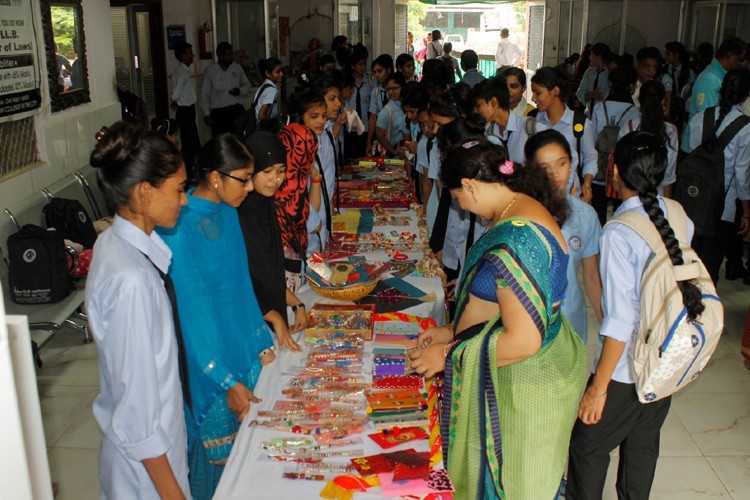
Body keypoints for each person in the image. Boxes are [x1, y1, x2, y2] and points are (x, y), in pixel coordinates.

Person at [410, 140, 586, 499]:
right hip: (517, 372)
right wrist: (449, 331)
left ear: (471, 186)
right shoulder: (514, 208)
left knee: (508, 483)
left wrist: (448, 357)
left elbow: (523, 340)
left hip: (523, 382)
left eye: (458, 197)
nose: (461, 205)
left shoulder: (519, 235)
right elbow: (499, 301)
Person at [566, 131, 703, 499]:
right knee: (642, 446)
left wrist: (598, 388)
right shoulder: (678, 214)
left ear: (614, 173)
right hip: (668, 356)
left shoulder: (620, 231)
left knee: (586, 447)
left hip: (627, 368)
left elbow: (621, 319)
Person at [157, 134, 276, 499]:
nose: (249, 187)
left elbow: (238, 285)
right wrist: (225, 380)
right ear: (215, 178)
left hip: (240, 345)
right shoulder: (179, 224)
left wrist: (260, 340)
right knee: (217, 479)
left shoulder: (228, 209)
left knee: (255, 464)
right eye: (243, 177)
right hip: (208, 363)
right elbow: (192, 315)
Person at [87, 121, 190, 499]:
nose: (184, 200)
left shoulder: (116, 245)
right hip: (146, 473)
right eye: (178, 190)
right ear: (144, 193)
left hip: (153, 454)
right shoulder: (132, 281)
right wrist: (173, 493)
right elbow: (137, 412)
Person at [525, 130, 603, 343]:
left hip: (570, 323)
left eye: (561, 163)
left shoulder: (585, 215)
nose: (555, 174)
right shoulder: (519, 212)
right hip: (526, 325)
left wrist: (605, 327)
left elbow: (591, 277)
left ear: (572, 164)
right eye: (544, 168)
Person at [238, 131, 306, 349]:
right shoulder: (240, 212)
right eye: (267, 171)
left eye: (281, 171)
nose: (276, 179)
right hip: (251, 324)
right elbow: (246, 280)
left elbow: (269, 274)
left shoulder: (265, 205)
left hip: (270, 316)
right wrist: (274, 316)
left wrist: (297, 305)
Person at [686, 68, 750, 283]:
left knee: (690, 262)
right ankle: (704, 312)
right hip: (723, 208)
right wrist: (747, 213)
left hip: (693, 202)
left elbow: (693, 159)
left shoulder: (699, 118)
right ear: (745, 95)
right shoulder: (745, 127)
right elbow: (742, 178)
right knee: (710, 267)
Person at [531, 66, 598, 202]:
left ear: (555, 91)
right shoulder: (532, 122)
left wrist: (587, 184)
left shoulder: (580, 124)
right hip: (539, 199)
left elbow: (590, 158)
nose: (533, 98)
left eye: (538, 93)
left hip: (572, 199)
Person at [276, 93, 322, 289]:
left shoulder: (289, 182)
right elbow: (316, 225)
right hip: (293, 280)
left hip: (302, 273)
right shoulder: (290, 192)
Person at [590, 65, 639, 223]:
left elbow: (593, 136)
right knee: (621, 210)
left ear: (610, 84)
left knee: (598, 209)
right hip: (622, 167)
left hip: (600, 166)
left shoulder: (599, 107)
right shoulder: (635, 112)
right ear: (631, 86)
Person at [683, 37, 748, 151]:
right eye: (739, 59)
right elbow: (708, 122)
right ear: (730, 56)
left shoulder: (721, 77)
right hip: (698, 150)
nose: (741, 64)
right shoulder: (709, 80)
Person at [619, 80, 678, 198]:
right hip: (659, 199)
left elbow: (622, 168)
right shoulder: (670, 131)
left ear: (639, 100)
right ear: (663, 101)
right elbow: (668, 176)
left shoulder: (628, 127)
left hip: (631, 197)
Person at [474, 75, 540, 163]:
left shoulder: (530, 128)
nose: (476, 110)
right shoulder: (488, 133)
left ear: (494, 102)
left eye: (478, 105)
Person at [201, 42, 251, 136]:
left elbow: (247, 86)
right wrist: (207, 114)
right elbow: (205, 94)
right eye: (229, 55)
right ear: (221, 55)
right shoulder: (211, 71)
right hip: (219, 112)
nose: (232, 57)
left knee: (239, 138)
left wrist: (239, 91)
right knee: (220, 139)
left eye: (232, 54)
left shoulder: (237, 68)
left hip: (236, 109)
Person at [170, 42, 200, 176]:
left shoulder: (183, 71)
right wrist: (175, 100)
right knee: (189, 145)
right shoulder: (182, 72)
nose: (192, 55)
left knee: (192, 143)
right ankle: (187, 173)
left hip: (186, 110)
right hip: (185, 111)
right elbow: (176, 93)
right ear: (183, 55)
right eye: (189, 52)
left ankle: (190, 171)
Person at [344, 45, 373, 158]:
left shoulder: (370, 82)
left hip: (365, 126)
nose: (363, 67)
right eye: (360, 64)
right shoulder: (347, 82)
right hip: (350, 127)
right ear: (352, 66)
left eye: (364, 64)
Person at [366, 54, 394, 154]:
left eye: (380, 71)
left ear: (389, 70)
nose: (377, 75)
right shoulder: (376, 91)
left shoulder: (399, 88)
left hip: (397, 135)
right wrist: (369, 141)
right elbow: (373, 117)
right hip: (382, 135)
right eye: (374, 72)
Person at [375, 72, 408, 157]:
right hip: (395, 156)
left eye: (395, 88)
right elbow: (379, 135)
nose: (391, 92)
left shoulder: (408, 105)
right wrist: (393, 151)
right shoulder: (386, 111)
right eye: (389, 89)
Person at [576, 42, 611, 116]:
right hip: (588, 115)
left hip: (604, 116)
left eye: (592, 54)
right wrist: (591, 94)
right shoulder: (589, 72)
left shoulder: (609, 74)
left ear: (599, 57)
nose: (590, 57)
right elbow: (579, 93)